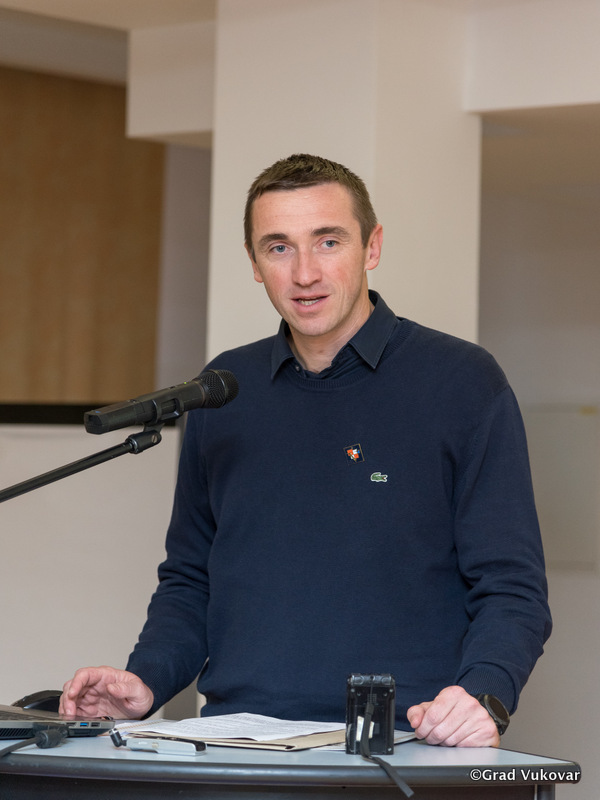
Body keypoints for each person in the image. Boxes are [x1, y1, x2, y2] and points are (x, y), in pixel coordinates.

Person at [61, 153, 551, 747]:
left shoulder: (462, 382)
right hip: (236, 745)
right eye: (279, 248)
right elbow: (191, 579)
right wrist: (147, 678)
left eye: (328, 242)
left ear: (372, 247)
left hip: (404, 743)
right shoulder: (222, 390)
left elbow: (511, 588)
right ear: (254, 264)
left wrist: (483, 695)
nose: (304, 273)